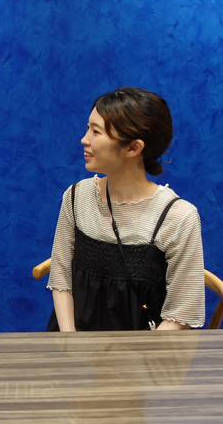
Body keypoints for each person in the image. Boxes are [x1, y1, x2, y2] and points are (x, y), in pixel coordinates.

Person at [47, 87, 205, 331]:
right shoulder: (76, 196)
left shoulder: (178, 217)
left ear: (133, 148)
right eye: (88, 128)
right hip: (72, 343)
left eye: (96, 131)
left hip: (145, 350)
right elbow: (61, 277)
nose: (84, 139)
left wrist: (134, 354)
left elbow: (181, 314)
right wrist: (70, 340)